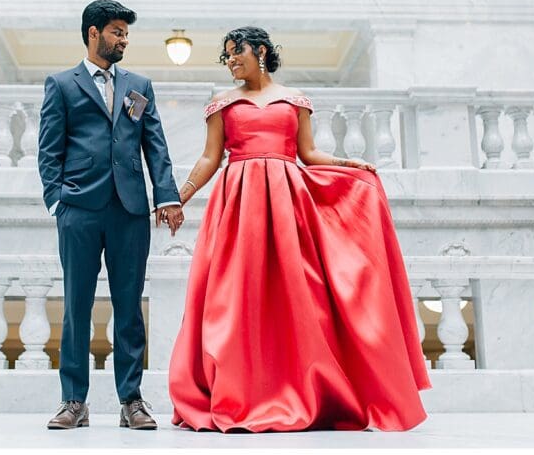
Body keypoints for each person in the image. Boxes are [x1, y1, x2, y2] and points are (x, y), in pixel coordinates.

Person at [167, 26, 431, 432]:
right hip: (238, 203)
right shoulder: (222, 103)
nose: (232, 60)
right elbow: (209, 158)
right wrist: (178, 197)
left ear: (261, 51)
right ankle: (238, 390)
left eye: (237, 52)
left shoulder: (296, 101)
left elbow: (308, 154)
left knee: (299, 293)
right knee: (234, 296)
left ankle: (304, 387)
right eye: (227, 56)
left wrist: (348, 165)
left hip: (288, 201)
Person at [38, 0, 185, 430]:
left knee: (129, 307)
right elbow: (49, 149)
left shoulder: (139, 86)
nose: (123, 40)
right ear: (93, 33)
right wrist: (57, 201)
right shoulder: (62, 84)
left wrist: (167, 196)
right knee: (76, 306)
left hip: (130, 210)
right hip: (79, 209)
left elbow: (154, 146)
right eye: (117, 32)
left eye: (125, 33)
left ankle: (131, 400)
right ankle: (73, 401)